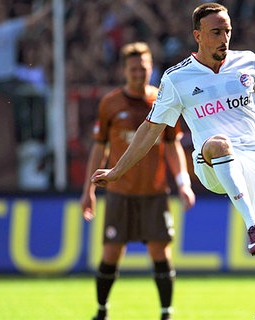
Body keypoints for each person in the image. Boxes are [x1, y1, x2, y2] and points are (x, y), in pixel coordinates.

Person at [90, 3, 255, 320]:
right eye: (216, 32)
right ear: (197, 35)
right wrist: (118, 170)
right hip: (212, 163)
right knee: (219, 143)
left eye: (227, 31)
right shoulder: (178, 78)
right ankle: (252, 225)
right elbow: (151, 129)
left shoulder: (249, 63)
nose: (224, 38)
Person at [80, 42, 196, 320]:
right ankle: (101, 310)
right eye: (133, 68)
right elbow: (100, 148)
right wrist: (89, 191)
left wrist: (183, 182)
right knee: (111, 254)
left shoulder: (161, 99)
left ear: (150, 68)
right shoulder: (110, 103)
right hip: (120, 193)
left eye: (143, 67)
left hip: (154, 192)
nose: (138, 73)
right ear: (124, 71)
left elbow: (172, 145)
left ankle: (166, 312)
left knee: (160, 252)